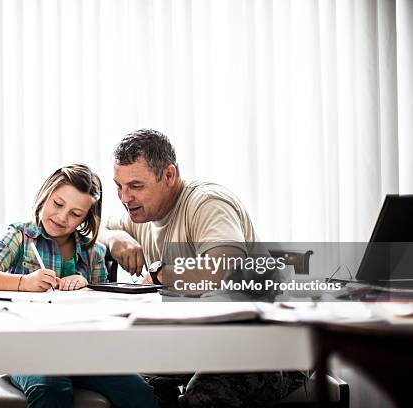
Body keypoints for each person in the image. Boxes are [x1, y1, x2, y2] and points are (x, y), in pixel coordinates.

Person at [100, 129, 304, 408]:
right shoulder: (140, 214)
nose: (125, 197)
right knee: (132, 389)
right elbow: (95, 228)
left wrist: (160, 274)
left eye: (135, 186)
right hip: (201, 344)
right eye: (118, 186)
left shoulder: (207, 203)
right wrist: (115, 237)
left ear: (169, 176)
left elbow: (221, 269)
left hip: (268, 347)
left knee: (202, 400)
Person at [0, 163, 156, 408]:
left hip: (82, 350)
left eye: (75, 214)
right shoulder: (21, 237)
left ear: (86, 218)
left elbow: (109, 311)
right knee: (51, 388)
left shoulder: (93, 251)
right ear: (46, 194)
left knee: (138, 392)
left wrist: (88, 286)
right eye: (58, 204)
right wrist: (24, 282)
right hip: (26, 349)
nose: (62, 217)